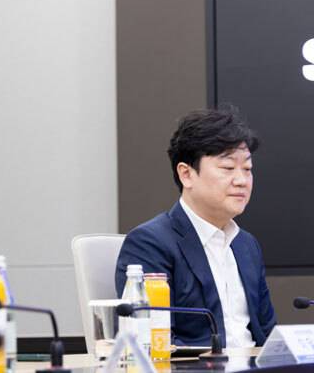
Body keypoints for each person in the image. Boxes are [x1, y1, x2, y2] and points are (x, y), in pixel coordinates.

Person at [115, 107, 276, 347]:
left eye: (247, 169)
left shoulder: (246, 245)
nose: (242, 180)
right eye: (228, 168)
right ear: (186, 174)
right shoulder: (150, 244)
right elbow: (152, 343)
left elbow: (268, 335)